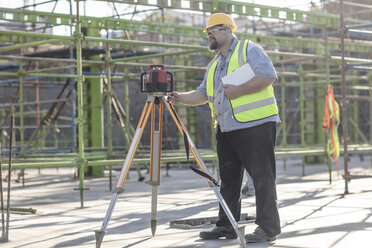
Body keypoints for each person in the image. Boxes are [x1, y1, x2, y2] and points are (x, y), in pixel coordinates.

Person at [167, 13, 281, 243]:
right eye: (207, 32)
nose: (209, 35)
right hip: (227, 130)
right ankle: (227, 226)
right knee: (228, 181)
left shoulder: (249, 50)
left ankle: (267, 229)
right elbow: (201, 95)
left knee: (262, 178)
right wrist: (179, 97)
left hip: (256, 125)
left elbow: (269, 76)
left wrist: (240, 90)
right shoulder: (214, 65)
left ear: (228, 30)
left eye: (213, 30)